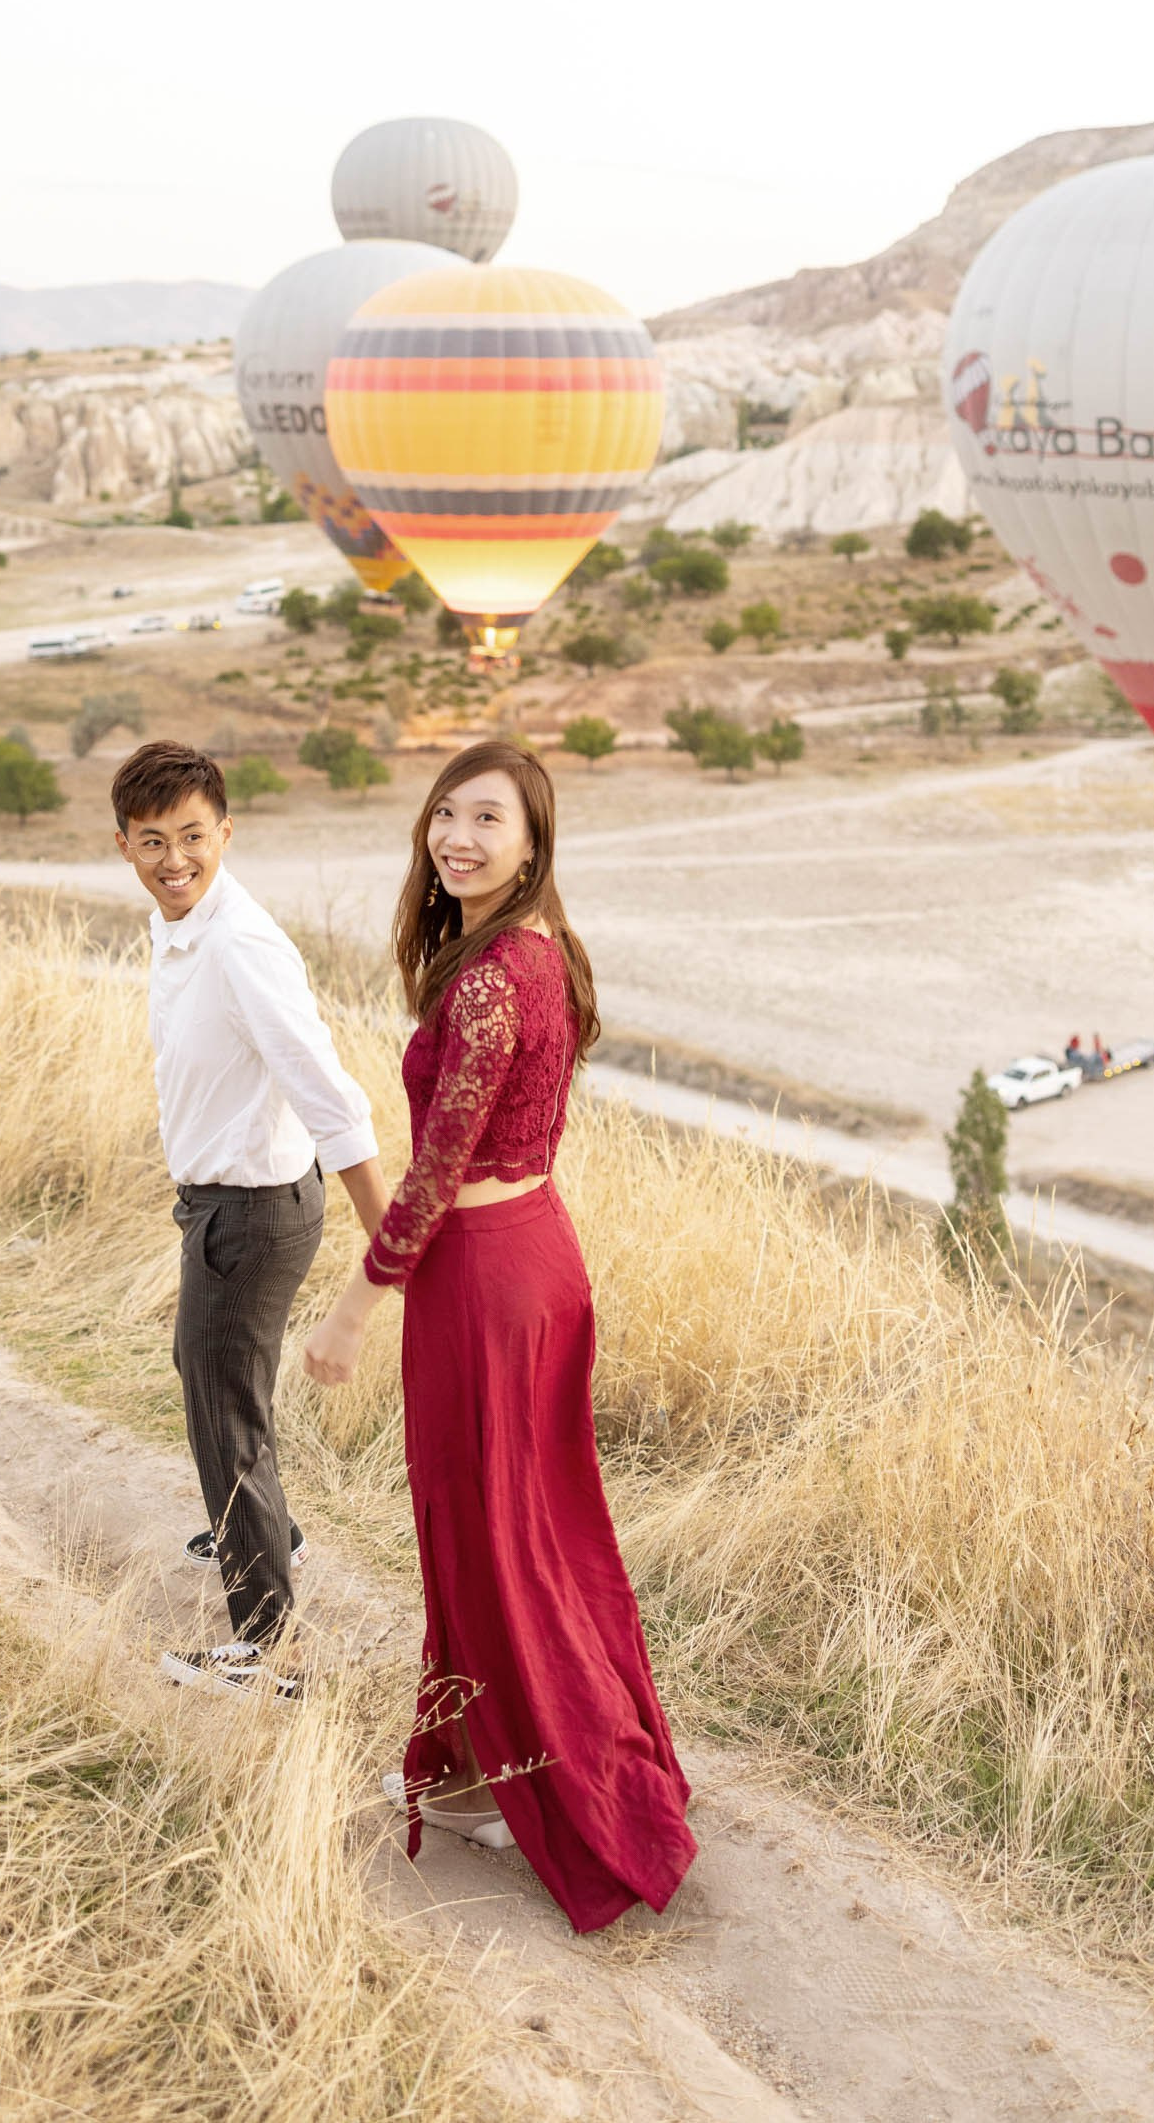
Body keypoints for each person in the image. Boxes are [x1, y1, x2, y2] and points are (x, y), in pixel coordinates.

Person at [303, 741, 695, 1933]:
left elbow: (436, 1167)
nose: (457, 838)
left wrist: (356, 1303)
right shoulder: (542, 955)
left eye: (490, 821)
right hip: (538, 1256)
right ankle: (479, 1773)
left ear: (533, 847)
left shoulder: (482, 983)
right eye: (446, 814)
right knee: (533, 1527)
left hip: (483, 1279)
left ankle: (563, 1792)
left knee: (488, 1533)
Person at [109, 738, 390, 1698]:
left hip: (254, 1213)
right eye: (154, 840)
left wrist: (393, 1244)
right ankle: (274, 1531)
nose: (174, 859)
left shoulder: (239, 942)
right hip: (226, 1204)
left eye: (193, 836)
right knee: (213, 1378)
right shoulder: (182, 923)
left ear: (226, 832)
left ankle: (270, 1652)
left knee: (219, 1415)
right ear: (124, 846)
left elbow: (328, 1093)